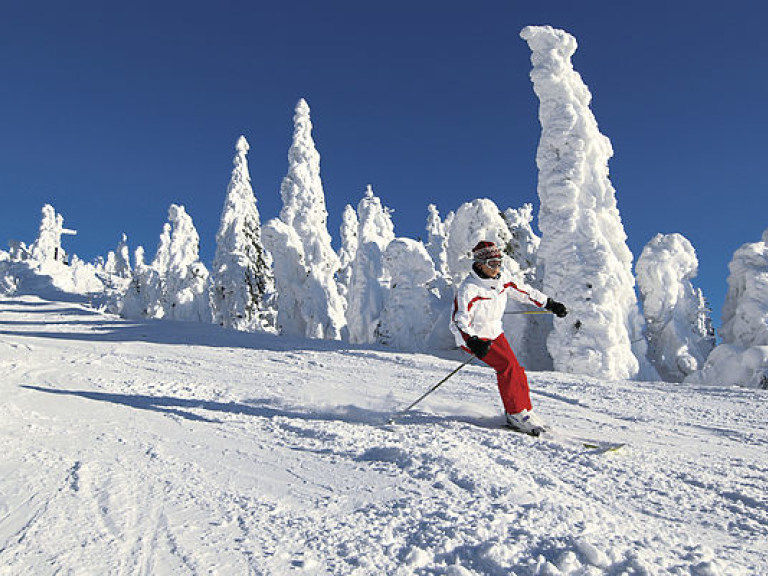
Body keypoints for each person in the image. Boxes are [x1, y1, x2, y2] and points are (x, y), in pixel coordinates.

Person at [450, 240, 568, 436]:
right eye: (492, 264)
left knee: (517, 370)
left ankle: (525, 411)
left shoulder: (502, 279)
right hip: (474, 338)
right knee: (507, 367)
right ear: (480, 265)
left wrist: (549, 303)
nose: (497, 268)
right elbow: (458, 320)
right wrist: (472, 341)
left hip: (495, 333)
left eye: (499, 262)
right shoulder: (469, 289)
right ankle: (515, 413)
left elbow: (524, 292)